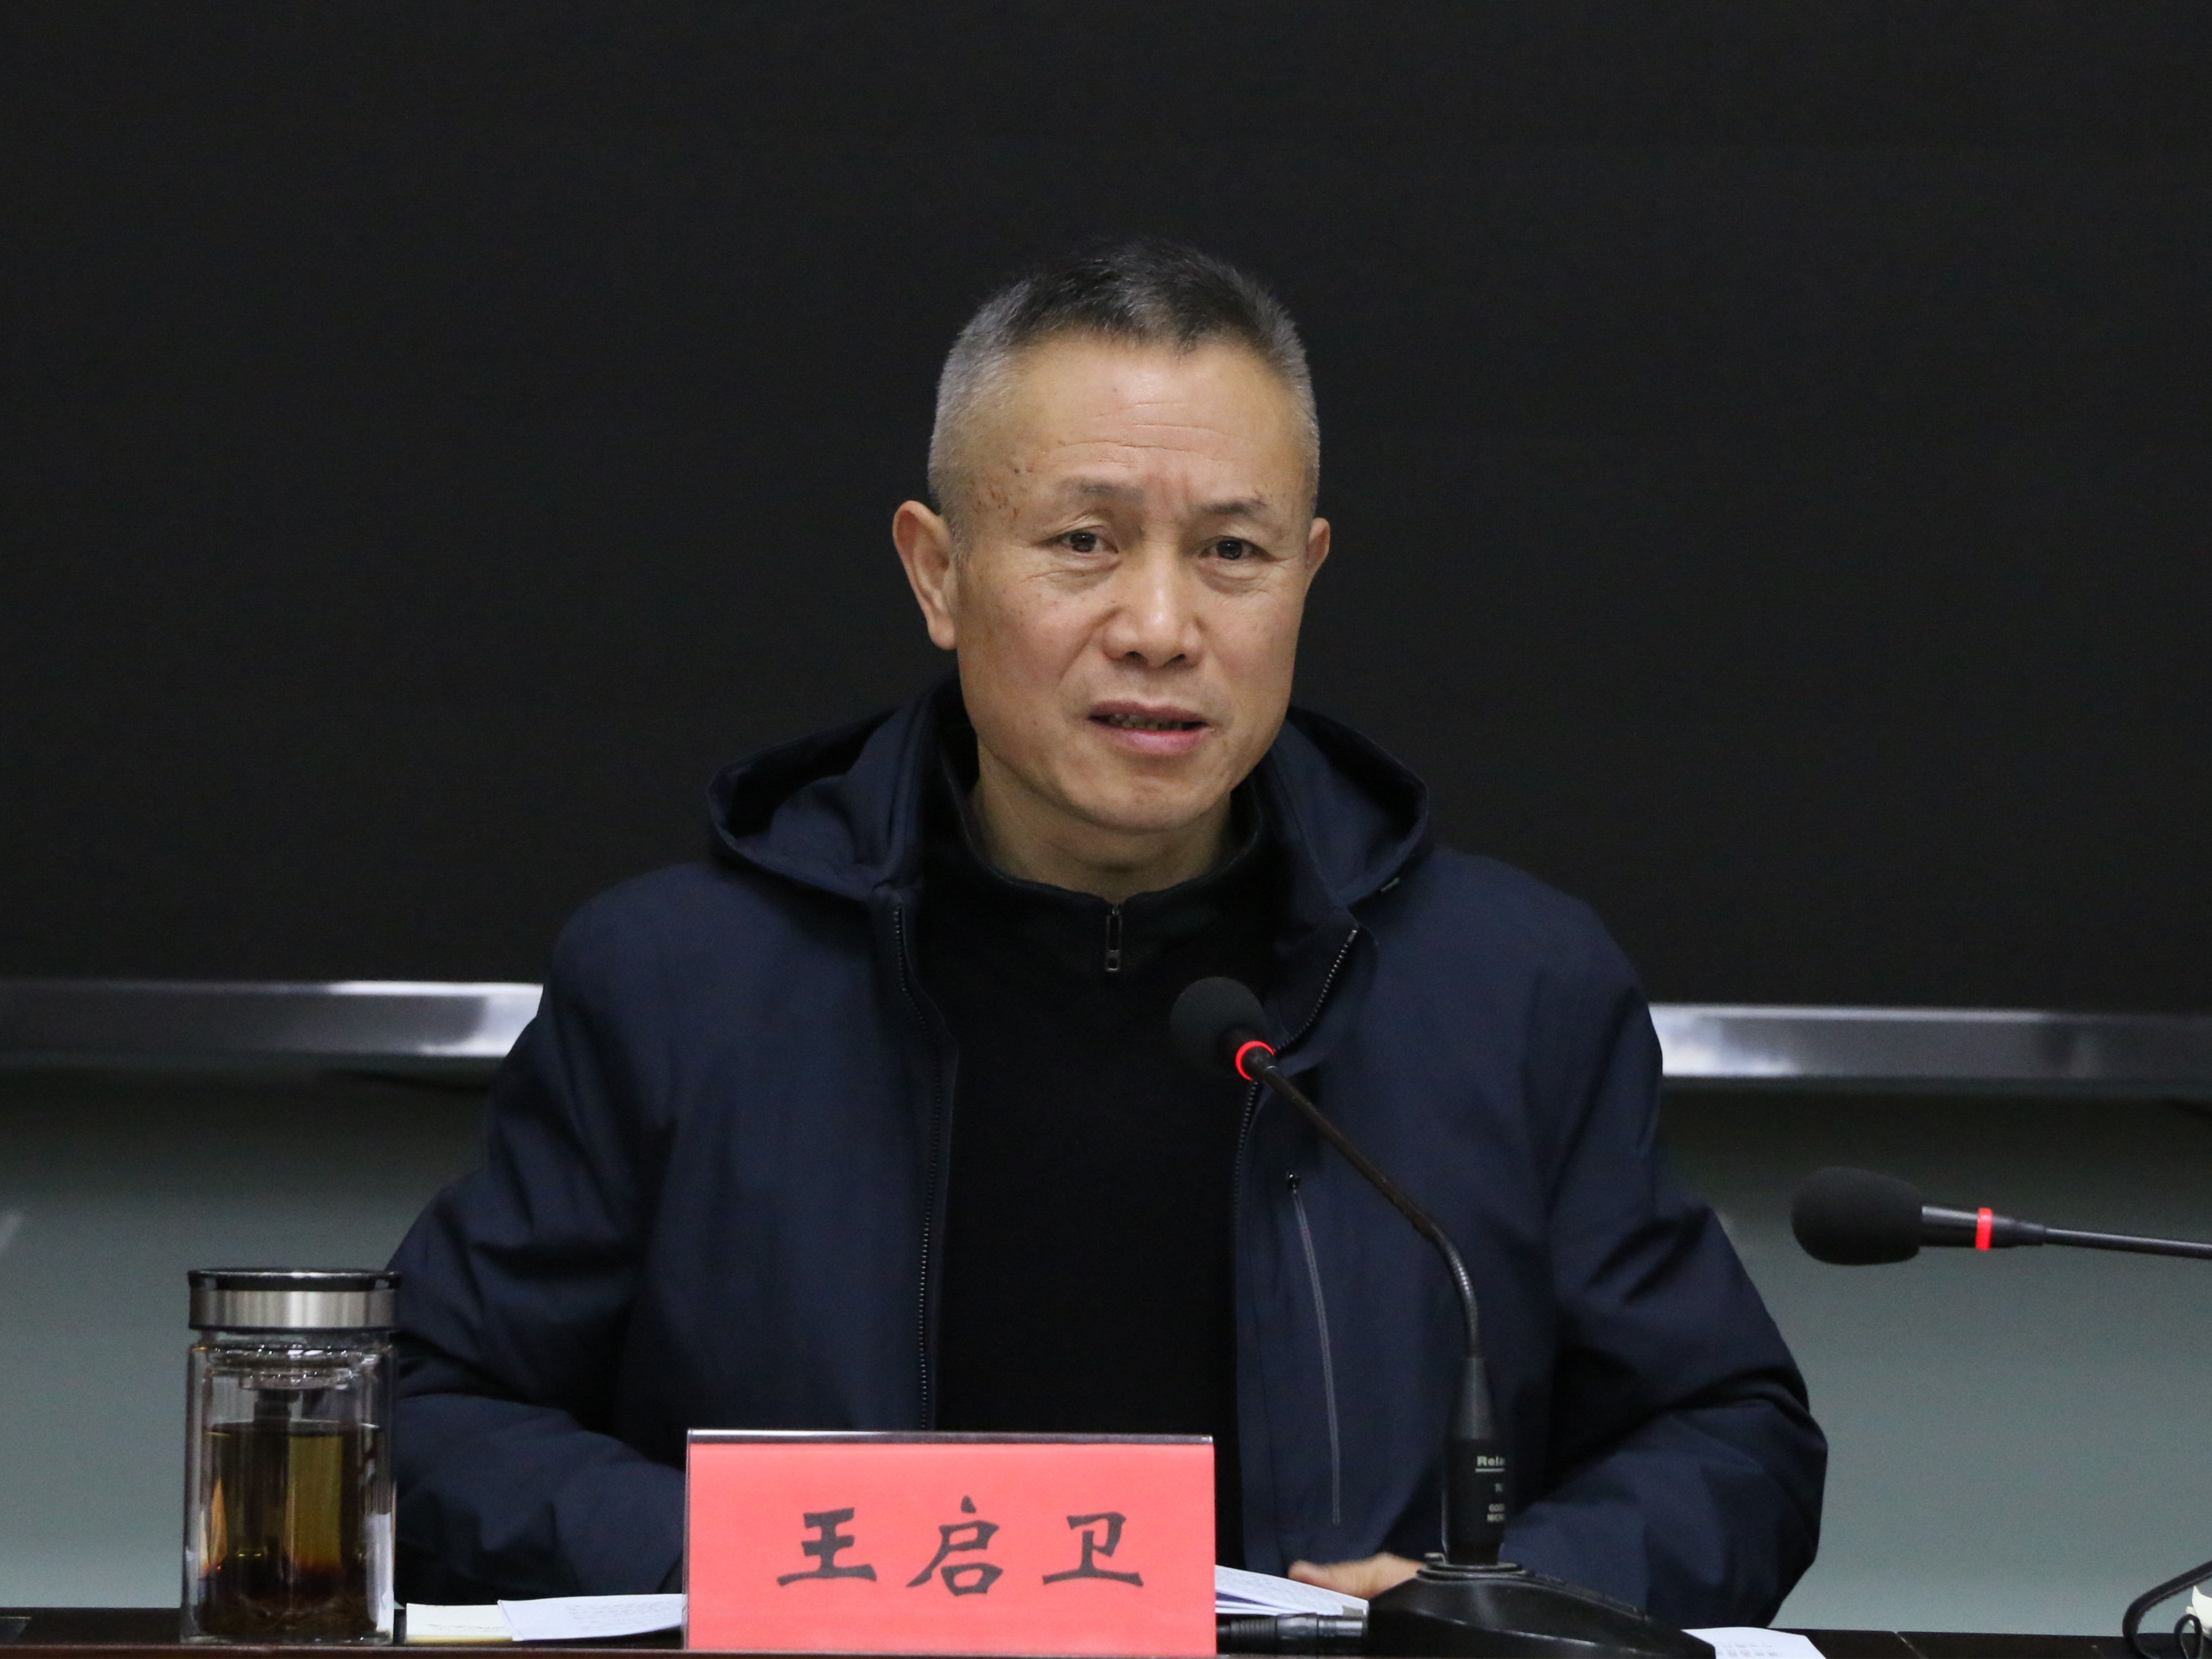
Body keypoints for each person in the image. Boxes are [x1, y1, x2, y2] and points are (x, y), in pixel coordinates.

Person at [388, 238, 1824, 1625]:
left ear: (1308, 574)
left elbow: (1729, 1437)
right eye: (1084, 542)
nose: (1160, 626)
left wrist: (1499, 1607)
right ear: (938, 574)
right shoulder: (677, 984)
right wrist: (761, 1568)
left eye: (1233, 551)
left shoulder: (1513, 989)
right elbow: (432, 1411)